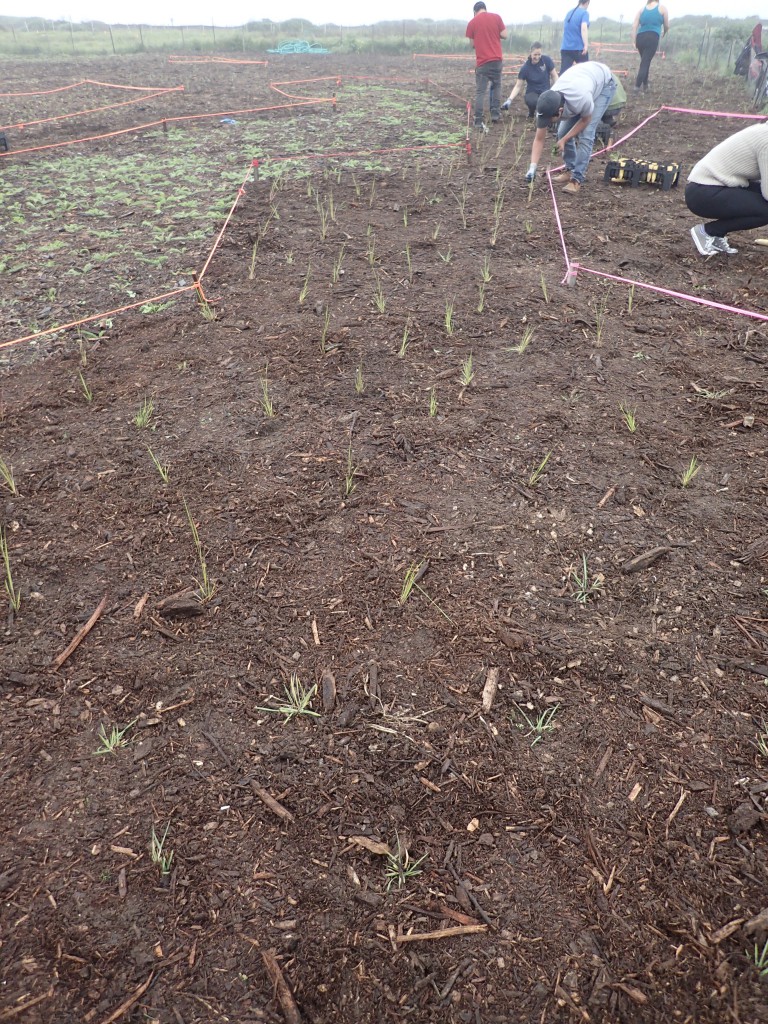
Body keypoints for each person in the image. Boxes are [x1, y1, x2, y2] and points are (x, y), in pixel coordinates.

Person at [525, 61, 616, 194]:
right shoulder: (548, 102)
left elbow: (585, 120)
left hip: (604, 84)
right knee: (561, 132)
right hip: (584, 78)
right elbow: (539, 139)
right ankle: (570, 169)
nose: (548, 122)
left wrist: (565, 139)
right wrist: (532, 167)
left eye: (550, 119)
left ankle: (576, 179)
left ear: (560, 111)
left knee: (586, 135)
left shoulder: (580, 99)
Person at [686, 123, 768, 256]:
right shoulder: (766, 140)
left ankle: (716, 235)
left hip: (718, 188)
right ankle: (708, 231)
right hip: (703, 192)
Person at [466, 0, 507, 129]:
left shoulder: (472, 23)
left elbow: (472, 45)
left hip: (483, 62)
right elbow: (504, 35)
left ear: (474, 12)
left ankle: (478, 120)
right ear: (485, 8)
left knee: (480, 91)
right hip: (496, 60)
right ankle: (495, 114)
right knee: (496, 86)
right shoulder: (496, 17)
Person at [502, 42, 558, 119]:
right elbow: (518, 86)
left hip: (545, 91)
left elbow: (554, 76)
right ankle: (532, 112)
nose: (537, 57)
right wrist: (509, 100)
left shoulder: (547, 60)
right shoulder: (525, 68)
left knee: (550, 104)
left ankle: (544, 115)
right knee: (533, 102)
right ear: (530, 53)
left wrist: (557, 89)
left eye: (539, 54)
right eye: (535, 55)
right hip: (532, 92)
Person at [632, 0, 668, 92]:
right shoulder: (662, 8)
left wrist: (634, 40)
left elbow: (634, 26)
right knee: (645, 62)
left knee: (645, 60)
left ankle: (645, 85)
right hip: (652, 37)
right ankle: (637, 86)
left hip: (640, 37)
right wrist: (664, 33)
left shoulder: (642, 10)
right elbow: (667, 25)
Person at [560, 0, 590, 74]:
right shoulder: (584, 13)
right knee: (585, 73)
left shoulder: (569, 13)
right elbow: (583, 28)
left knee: (564, 73)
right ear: (587, 3)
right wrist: (586, 45)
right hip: (579, 49)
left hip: (565, 48)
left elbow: (565, 29)